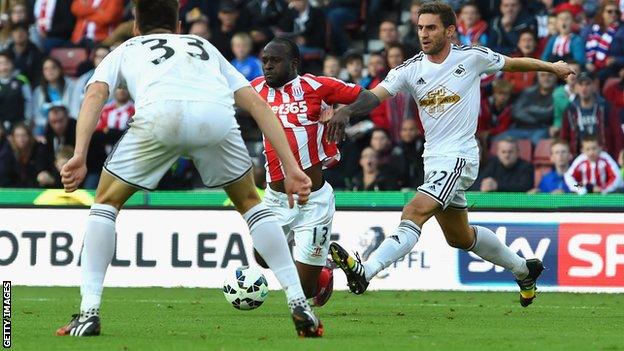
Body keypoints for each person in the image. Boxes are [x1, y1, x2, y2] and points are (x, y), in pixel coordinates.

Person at [56, 0, 322, 338]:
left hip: (159, 116)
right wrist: (292, 166)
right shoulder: (204, 45)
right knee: (251, 205)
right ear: (179, 26)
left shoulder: (127, 47)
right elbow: (256, 103)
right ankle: (298, 302)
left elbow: (95, 95)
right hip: (215, 118)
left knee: (105, 204)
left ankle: (89, 312)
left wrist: (79, 153)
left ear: (136, 27)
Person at [323, 2, 574, 307]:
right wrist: (347, 111)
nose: (424, 34)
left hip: (460, 156)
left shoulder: (471, 57)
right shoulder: (410, 69)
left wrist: (552, 67)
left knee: (414, 211)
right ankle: (524, 269)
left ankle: (367, 270)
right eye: (420, 28)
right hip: (434, 159)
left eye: (431, 28)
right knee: (460, 237)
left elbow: (513, 63)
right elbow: (374, 96)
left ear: (450, 30)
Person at [250, 37, 362, 306]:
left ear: (294, 64)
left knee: (306, 291)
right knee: (261, 257)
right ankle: (310, 257)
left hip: (314, 201)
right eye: (264, 61)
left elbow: (368, 96)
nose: (267, 67)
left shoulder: (316, 86)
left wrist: (345, 112)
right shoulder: (253, 90)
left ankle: (324, 271)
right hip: (276, 198)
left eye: (275, 61)